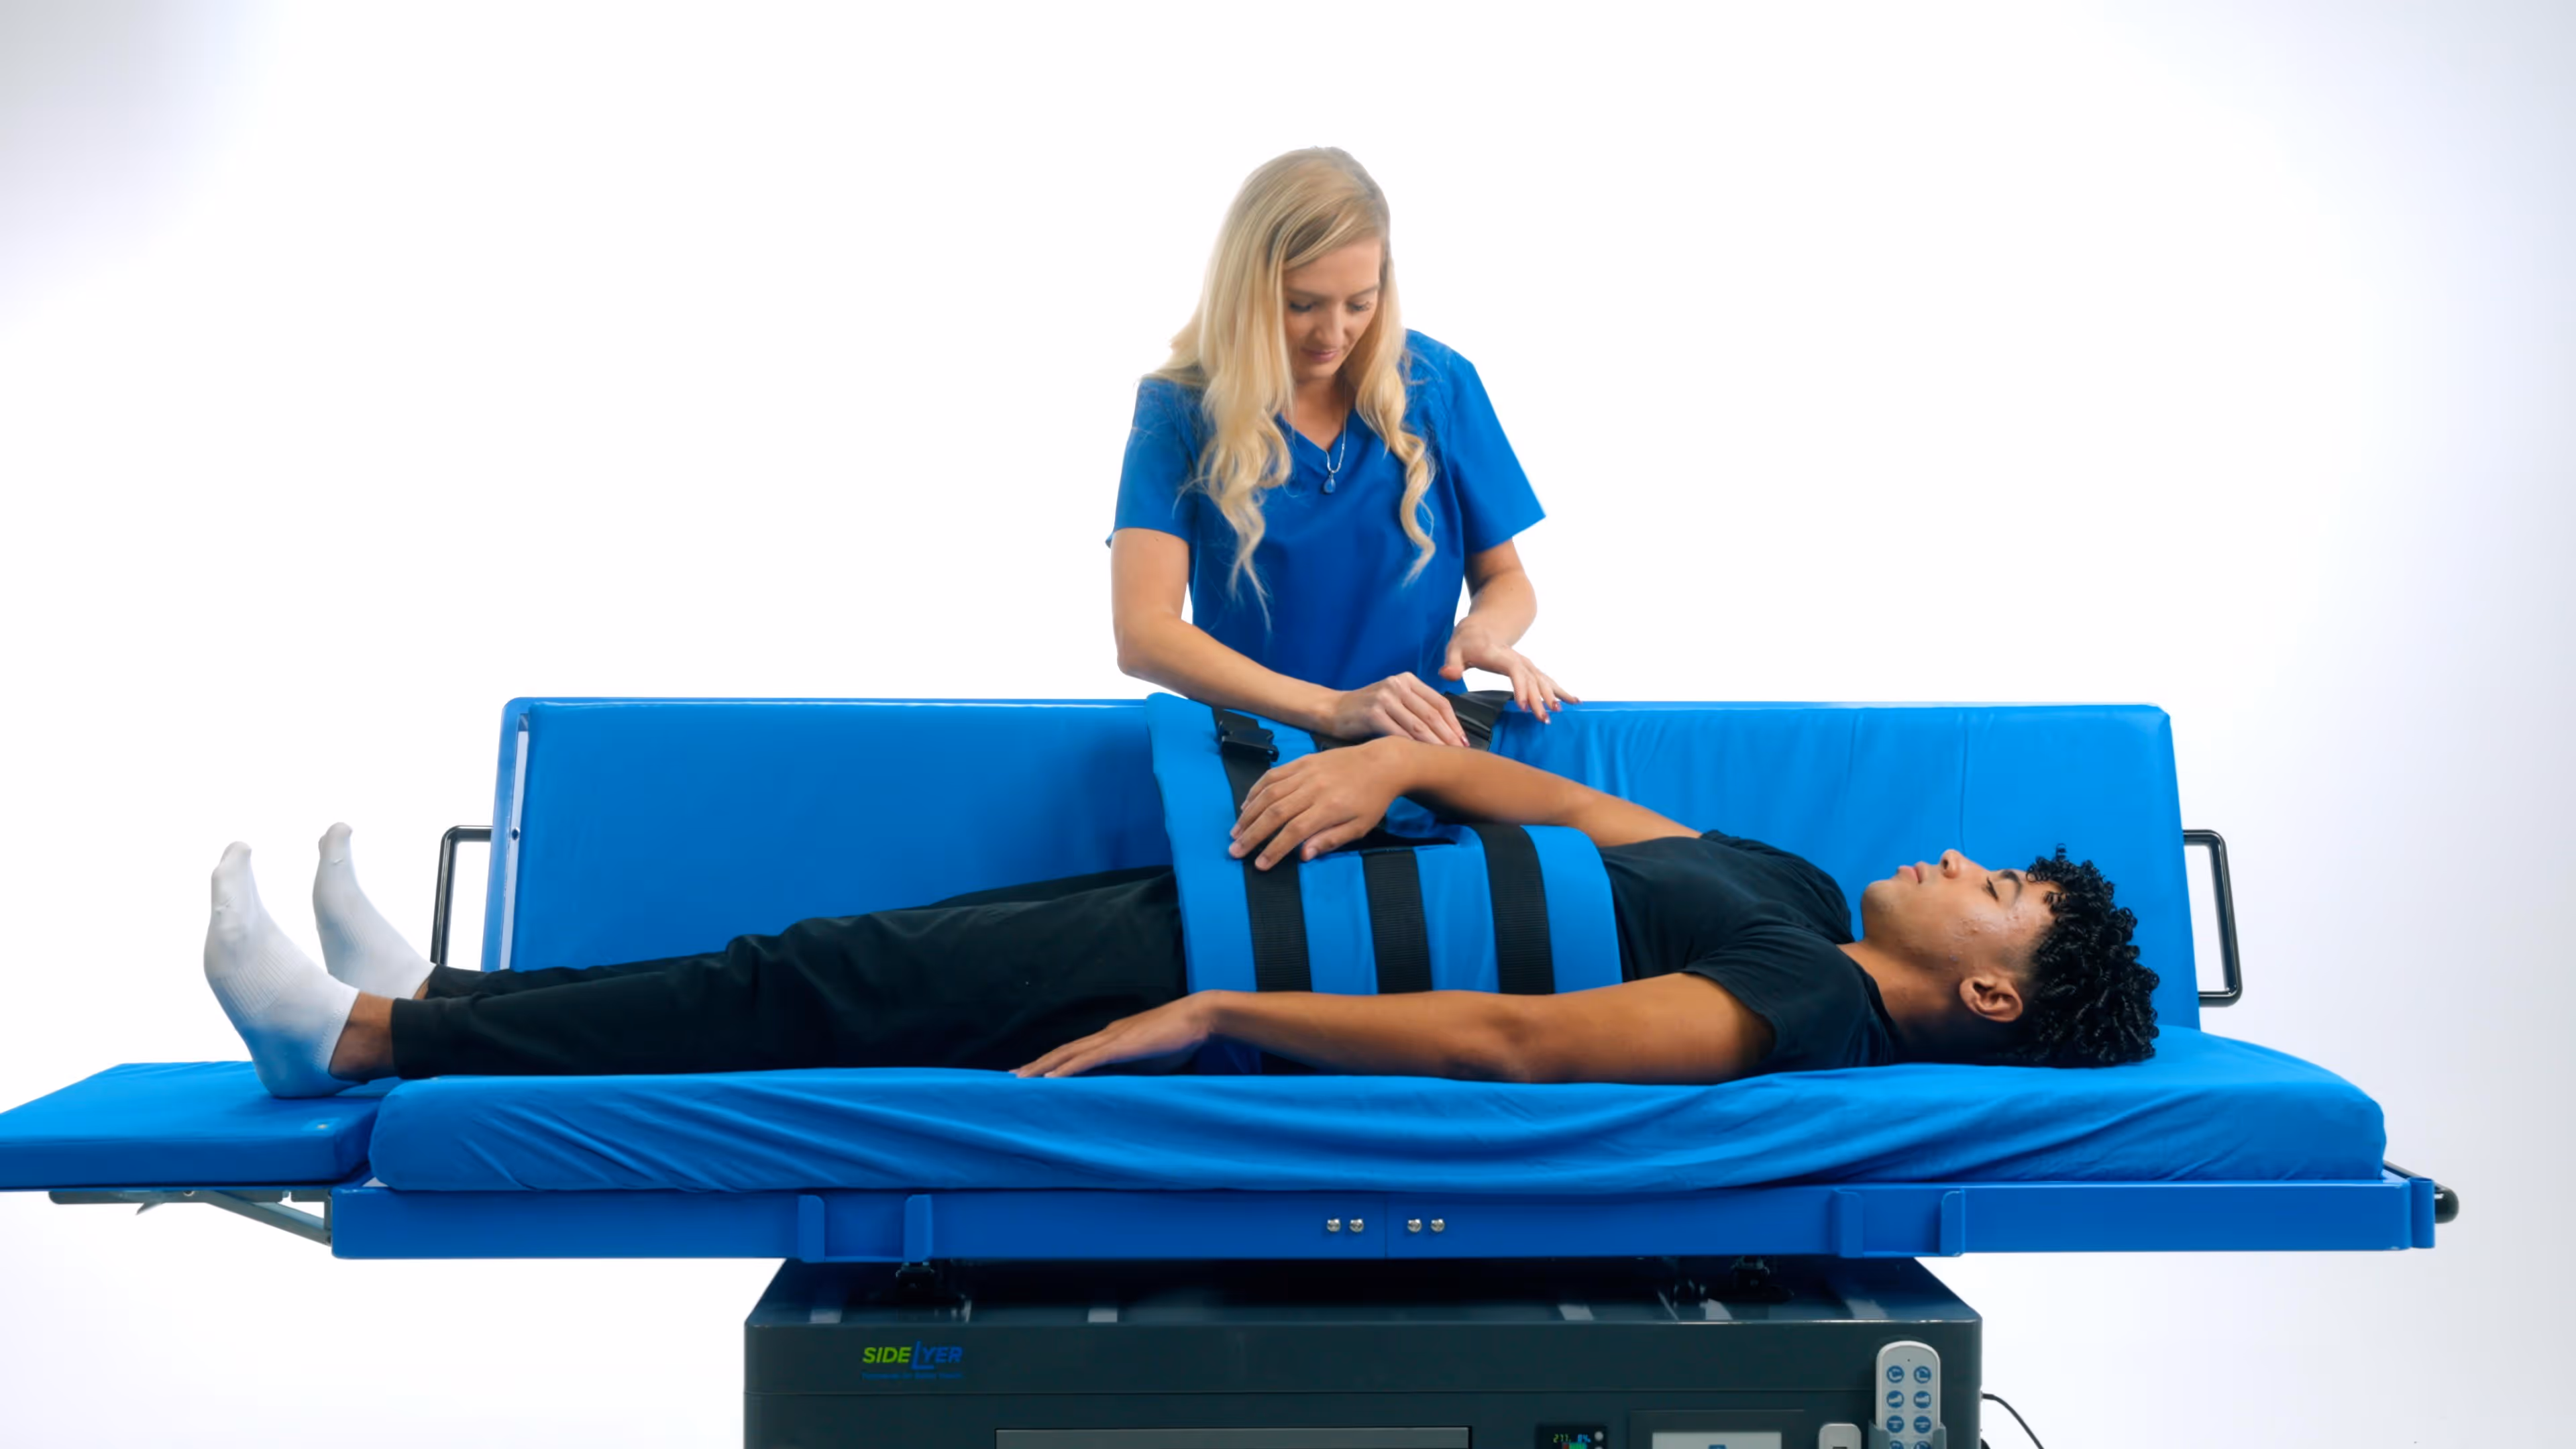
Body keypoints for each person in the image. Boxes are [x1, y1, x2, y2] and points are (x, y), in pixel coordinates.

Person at [204, 741, 2159, 1099]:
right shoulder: (1801, 891)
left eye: (1993, 891)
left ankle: (365, 1044)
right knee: (819, 957)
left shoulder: (1801, 1002)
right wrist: (1395, 772)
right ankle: (435, 1001)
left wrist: (1212, 1018)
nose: (1954, 860)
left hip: (1226, 960)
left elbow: (1523, 1045)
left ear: (1986, 983)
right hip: (1244, 892)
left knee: (818, 984)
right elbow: (1560, 805)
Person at [1111, 148, 1576, 750]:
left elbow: (1506, 578)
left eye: (1360, 303)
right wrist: (1332, 710)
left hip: (1423, 751)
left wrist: (1485, 630)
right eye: (1302, 305)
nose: (1334, 335)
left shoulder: (1438, 383)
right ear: (1246, 289)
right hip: (1259, 754)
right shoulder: (1178, 409)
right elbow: (1144, 634)